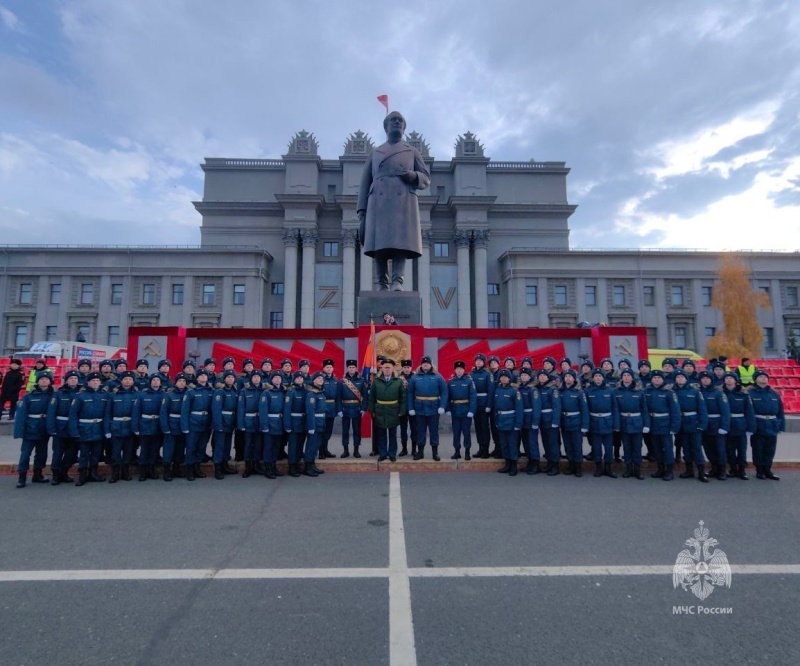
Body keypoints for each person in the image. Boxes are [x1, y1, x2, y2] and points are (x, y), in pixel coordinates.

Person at [357, 111, 431, 291]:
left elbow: (426, 179)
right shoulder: (375, 152)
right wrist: (362, 211)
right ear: (386, 126)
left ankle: (398, 281)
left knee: (401, 244)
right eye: (393, 120)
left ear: (404, 128)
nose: (397, 122)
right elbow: (365, 183)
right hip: (378, 202)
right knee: (379, 246)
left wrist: (413, 175)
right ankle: (382, 283)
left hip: (402, 201)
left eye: (400, 121)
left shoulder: (411, 151)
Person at [69, 372, 111, 485]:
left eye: (97, 381)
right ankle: (82, 474)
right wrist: (74, 431)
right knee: (84, 453)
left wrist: (107, 430)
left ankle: (93, 472)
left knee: (96, 452)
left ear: (100, 382)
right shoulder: (80, 396)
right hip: (84, 428)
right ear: (88, 382)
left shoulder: (105, 396)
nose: (95, 382)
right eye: (93, 381)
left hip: (99, 428)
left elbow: (108, 414)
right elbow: (73, 415)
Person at [14, 371, 54, 488]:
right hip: (30, 428)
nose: (44, 381)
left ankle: (38, 474)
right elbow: (21, 415)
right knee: (26, 454)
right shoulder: (28, 396)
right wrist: (19, 431)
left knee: (42, 454)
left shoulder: (53, 395)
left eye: (47, 379)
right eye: (42, 379)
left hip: (44, 428)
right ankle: (22, 476)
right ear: (38, 381)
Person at [408, 355, 448, 461]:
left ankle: (435, 453)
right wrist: (411, 408)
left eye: (427, 363)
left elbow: (444, 391)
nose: (425, 364)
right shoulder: (415, 377)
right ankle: (420, 452)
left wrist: (442, 406)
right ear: (421, 364)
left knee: (434, 431)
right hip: (419, 408)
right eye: (424, 363)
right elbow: (410, 393)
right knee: (420, 431)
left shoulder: (438, 376)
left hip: (434, 408)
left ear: (431, 364)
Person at [672, 370, 709, 482]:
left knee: (696, 448)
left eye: (682, 377)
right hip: (681, 423)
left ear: (686, 379)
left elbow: (702, 409)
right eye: (678, 377)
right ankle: (689, 470)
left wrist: (702, 424)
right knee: (686, 448)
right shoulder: (672, 392)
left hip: (694, 423)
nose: (680, 379)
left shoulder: (695, 392)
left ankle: (701, 472)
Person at [613, 368, 650, 480]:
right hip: (624, 422)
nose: (626, 377)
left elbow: (644, 409)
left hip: (637, 422)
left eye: (629, 375)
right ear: (622, 377)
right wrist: (617, 425)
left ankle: (637, 470)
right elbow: (615, 410)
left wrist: (646, 425)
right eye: (624, 375)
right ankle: (628, 469)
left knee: (637, 447)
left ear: (632, 377)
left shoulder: (639, 391)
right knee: (627, 447)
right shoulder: (616, 391)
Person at [644, 370, 681, 480]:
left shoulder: (669, 392)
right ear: (651, 379)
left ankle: (669, 471)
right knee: (656, 448)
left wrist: (674, 427)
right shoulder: (646, 391)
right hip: (653, 423)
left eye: (659, 378)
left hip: (665, 424)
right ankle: (660, 469)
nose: (657, 379)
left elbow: (675, 411)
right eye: (654, 378)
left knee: (667, 448)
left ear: (663, 379)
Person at [368, 358, 406, 462]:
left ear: (393, 368)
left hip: (393, 410)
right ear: (382, 369)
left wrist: (402, 410)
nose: (387, 370)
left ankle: (392, 453)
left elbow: (403, 397)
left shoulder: (398, 382)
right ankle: (383, 453)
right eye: (385, 368)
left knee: (393, 434)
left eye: (389, 368)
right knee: (381, 433)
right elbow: (371, 397)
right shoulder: (376, 381)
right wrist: (372, 411)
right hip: (380, 410)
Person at [47, 369, 81, 485]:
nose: (73, 380)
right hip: (60, 427)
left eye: (75, 378)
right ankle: (56, 475)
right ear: (66, 380)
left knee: (71, 452)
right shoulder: (58, 394)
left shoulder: (81, 393)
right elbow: (51, 412)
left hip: (75, 428)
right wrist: (51, 428)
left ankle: (64, 472)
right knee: (58, 452)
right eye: (71, 378)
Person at [749, 370, 785, 480]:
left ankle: (767, 469)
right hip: (758, 424)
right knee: (758, 448)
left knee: (770, 449)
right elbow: (749, 411)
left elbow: (780, 411)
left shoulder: (773, 393)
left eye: (765, 376)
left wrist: (781, 425)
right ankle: (759, 470)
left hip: (772, 424)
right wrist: (751, 426)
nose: (763, 378)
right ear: (756, 379)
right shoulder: (751, 393)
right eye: (760, 376)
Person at [105, 370, 138, 483]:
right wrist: (107, 429)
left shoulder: (137, 395)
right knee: (116, 451)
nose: (127, 381)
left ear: (133, 381)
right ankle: (115, 473)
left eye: (130, 379)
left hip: (130, 426)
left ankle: (125, 471)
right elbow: (108, 413)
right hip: (116, 426)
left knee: (128, 451)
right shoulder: (113, 395)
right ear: (121, 380)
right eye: (125, 379)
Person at [722, 372, 755, 480]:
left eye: (731, 378)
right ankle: (732, 469)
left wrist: (751, 428)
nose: (729, 380)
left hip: (741, 424)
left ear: (735, 380)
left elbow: (749, 412)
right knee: (730, 449)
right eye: (727, 378)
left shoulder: (743, 394)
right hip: (727, 424)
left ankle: (742, 470)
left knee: (741, 449)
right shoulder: (721, 394)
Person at [585, 369, 617, 478]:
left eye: (600, 376)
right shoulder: (588, 391)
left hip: (607, 422)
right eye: (596, 376)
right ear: (593, 378)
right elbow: (586, 409)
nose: (598, 377)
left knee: (608, 448)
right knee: (597, 447)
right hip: (594, 422)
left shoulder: (610, 390)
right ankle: (598, 467)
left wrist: (616, 424)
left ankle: (608, 468)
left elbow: (615, 408)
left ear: (603, 378)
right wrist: (586, 424)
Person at [132, 374, 165, 481]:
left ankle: (152, 470)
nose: (156, 382)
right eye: (154, 380)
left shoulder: (164, 395)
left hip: (157, 425)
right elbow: (136, 412)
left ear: (160, 382)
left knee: (155, 449)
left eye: (157, 380)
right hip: (145, 424)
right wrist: (135, 427)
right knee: (144, 449)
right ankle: (143, 472)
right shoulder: (142, 395)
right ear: (150, 382)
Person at [699, 371, 730, 480]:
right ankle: (714, 468)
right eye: (703, 378)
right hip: (704, 424)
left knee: (720, 449)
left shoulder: (718, 393)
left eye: (707, 378)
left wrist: (724, 426)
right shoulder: (698, 392)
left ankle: (722, 470)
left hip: (717, 424)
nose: (705, 380)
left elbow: (725, 411)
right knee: (708, 449)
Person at [183, 368, 213, 480]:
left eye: (205, 375)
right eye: (201, 375)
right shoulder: (191, 391)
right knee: (191, 447)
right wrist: (185, 426)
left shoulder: (211, 391)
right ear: (197, 377)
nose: (203, 377)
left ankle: (197, 467)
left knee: (202, 447)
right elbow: (185, 410)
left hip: (206, 423)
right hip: (193, 422)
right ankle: (189, 470)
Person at [492, 369, 523, 476]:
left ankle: (514, 465)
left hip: (511, 421)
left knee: (512, 444)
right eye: (502, 377)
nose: (503, 378)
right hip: (501, 420)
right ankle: (507, 464)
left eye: (506, 377)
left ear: (509, 379)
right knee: (504, 444)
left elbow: (519, 409)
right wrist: (496, 421)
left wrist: (518, 424)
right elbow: (495, 407)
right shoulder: (497, 390)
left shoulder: (514, 391)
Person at [161, 372, 190, 481]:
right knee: (169, 448)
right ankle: (167, 470)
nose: (182, 383)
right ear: (175, 382)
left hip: (183, 425)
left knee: (180, 448)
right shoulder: (169, 395)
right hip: (171, 424)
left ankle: (176, 468)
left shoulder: (188, 394)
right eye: (179, 381)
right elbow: (164, 412)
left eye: (184, 381)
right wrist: (165, 427)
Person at [559, 370, 589, 477]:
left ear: (574, 379)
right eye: (566, 376)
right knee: (567, 445)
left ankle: (578, 467)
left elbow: (584, 410)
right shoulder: (560, 391)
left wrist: (585, 425)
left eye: (569, 376)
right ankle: (571, 465)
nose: (567, 378)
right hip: (564, 421)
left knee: (577, 445)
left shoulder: (579, 392)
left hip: (576, 421)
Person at [446, 361, 477, 460]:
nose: (459, 371)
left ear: (464, 370)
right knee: (456, 432)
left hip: (466, 410)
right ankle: (457, 451)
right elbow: (447, 397)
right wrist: (448, 409)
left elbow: (473, 396)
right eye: (457, 369)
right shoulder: (451, 382)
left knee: (466, 432)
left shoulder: (469, 381)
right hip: (455, 410)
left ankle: (467, 451)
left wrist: (472, 410)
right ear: (455, 370)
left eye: (461, 369)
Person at [259, 371, 286, 479]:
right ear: (271, 380)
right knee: (268, 447)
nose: (278, 379)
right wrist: (264, 426)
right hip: (270, 423)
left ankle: (274, 466)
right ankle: (268, 469)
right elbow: (263, 410)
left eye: (279, 378)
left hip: (279, 424)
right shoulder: (267, 393)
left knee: (276, 447)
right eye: (275, 378)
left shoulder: (283, 392)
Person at [211, 369, 238, 479]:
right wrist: (218, 424)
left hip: (230, 422)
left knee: (227, 445)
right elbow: (216, 409)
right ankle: (218, 468)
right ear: (224, 379)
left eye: (232, 377)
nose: (230, 379)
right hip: (222, 422)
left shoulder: (234, 391)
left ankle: (225, 464)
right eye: (228, 377)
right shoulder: (220, 391)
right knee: (219, 445)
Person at [237, 370, 264, 477]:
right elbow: (240, 408)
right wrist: (241, 424)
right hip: (248, 421)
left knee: (258, 444)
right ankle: (248, 467)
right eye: (254, 377)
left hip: (259, 421)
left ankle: (256, 465)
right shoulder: (244, 391)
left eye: (258, 376)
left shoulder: (264, 390)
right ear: (251, 379)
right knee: (248, 444)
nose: (256, 378)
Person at [339, 359, 368, 458]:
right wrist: (339, 409)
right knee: (345, 431)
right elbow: (338, 397)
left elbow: (365, 396)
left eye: (353, 367)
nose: (351, 369)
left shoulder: (361, 380)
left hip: (356, 408)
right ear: (347, 368)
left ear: (356, 368)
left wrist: (363, 408)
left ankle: (356, 450)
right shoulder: (342, 381)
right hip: (345, 409)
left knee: (357, 430)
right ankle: (345, 450)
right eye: (350, 367)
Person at [536, 369, 562, 475]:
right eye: (540, 375)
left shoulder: (552, 389)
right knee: (546, 443)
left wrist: (556, 421)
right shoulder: (537, 389)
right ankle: (549, 463)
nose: (542, 377)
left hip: (551, 419)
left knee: (553, 443)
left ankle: (555, 465)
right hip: (542, 420)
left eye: (544, 375)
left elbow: (557, 406)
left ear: (548, 377)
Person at [283, 370, 309, 477]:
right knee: (293, 445)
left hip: (303, 422)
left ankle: (298, 463)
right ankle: (292, 466)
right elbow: (287, 409)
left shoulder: (306, 391)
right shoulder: (291, 391)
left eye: (301, 378)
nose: (299, 379)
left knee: (300, 444)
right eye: (297, 378)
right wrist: (287, 425)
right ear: (294, 379)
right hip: (294, 422)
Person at [470, 353, 494, 459]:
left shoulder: (487, 374)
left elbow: (491, 391)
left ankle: (485, 449)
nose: (478, 362)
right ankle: (480, 448)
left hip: (484, 405)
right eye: (477, 360)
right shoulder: (472, 373)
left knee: (484, 427)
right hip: (475, 404)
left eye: (480, 360)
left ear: (484, 362)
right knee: (478, 427)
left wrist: (489, 405)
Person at [516, 367, 541, 474]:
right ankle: (530, 462)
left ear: (529, 377)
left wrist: (535, 421)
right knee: (526, 442)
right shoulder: (520, 389)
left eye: (525, 375)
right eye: (522, 375)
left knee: (532, 442)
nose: (523, 377)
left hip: (530, 419)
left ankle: (535, 463)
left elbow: (536, 407)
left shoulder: (533, 390)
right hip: (523, 419)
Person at [303, 372, 328, 477]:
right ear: (313, 380)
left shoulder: (320, 392)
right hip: (314, 423)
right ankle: (307, 467)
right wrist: (311, 426)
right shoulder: (311, 394)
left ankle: (312, 464)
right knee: (311, 445)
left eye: (322, 378)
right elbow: (310, 411)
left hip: (320, 422)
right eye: (318, 378)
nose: (321, 380)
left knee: (316, 445)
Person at [319, 359, 340, 459]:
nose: (329, 369)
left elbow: (338, 396)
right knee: (322, 431)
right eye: (327, 367)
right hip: (323, 407)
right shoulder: (320, 379)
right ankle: (321, 451)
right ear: (323, 368)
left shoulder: (335, 380)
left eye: (331, 367)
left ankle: (326, 449)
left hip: (332, 408)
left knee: (328, 431)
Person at [397, 359, 417, 457]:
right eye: (404, 367)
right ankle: (404, 449)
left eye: (408, 367)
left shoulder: (415, 377)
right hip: (402, 407)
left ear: (411, 368)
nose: (406, 369)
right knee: (403, 429)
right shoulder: (398, 378)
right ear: (402, 368)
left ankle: (414, 449)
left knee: (414, 429)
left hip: (413, 407)